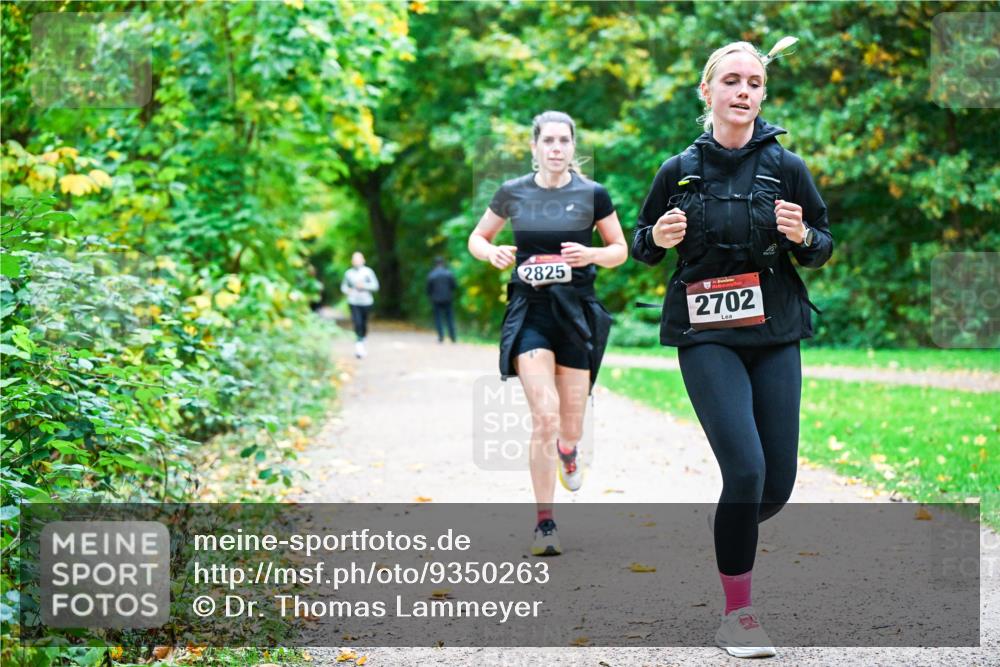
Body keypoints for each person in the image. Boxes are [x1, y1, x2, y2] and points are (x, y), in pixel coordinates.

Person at [631, 38, 832, 659]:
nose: (743, 91)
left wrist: (802, 234)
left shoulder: (787, 166)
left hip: (774, 334)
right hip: (707, 334)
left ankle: (732, 521)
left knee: (776, 486)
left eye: (754, 83)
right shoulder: (678, 169)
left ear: (762, 95)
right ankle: (738, 617)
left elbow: (821, 244)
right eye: (731, 81)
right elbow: (641, 243)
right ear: (707, 91)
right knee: (744, 470)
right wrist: (658, 236)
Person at [468, 110, 627, 557]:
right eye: (549, 141)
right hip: (530, 311)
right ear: (535, 147)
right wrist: (492, 252)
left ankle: (569, 451)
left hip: (575, 312)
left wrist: (589, 253)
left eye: (564, 141)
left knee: (570, 426)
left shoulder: (592, 193)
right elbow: (477, 238)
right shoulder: (512, 192)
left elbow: (620, 251)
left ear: (574, 147)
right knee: (545, 415)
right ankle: (545, 524)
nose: (557, 148)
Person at [340, 251, 379, 358]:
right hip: (353, 301)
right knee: (357, 323)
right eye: (354, 259)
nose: (356, 261)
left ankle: (362, 339)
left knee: (364, 323)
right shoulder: (348, 273)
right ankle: (359, 346)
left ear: (363, 260)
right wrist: (347, 290)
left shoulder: (368, 272)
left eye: (358, 259)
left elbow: (375, 286)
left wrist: (364, 286)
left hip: (366, 302)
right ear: (352, 261)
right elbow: (343, 287)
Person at [426, 256, 458, 343]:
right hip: (448, 299)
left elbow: (428, 289)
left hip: (436, 300)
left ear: (435, 264)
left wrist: (432, 296)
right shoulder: (448, 274)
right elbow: (454, 286)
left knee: (438, 319)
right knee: (450, 318)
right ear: (443, 263)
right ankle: (453, 337)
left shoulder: (431, 275)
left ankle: (441, 337)